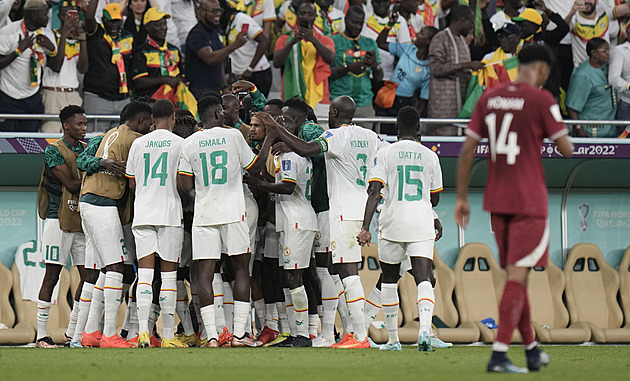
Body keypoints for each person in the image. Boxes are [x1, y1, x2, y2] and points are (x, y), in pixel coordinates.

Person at [455, 44, 573, 373]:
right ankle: (499, 353)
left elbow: (467, 151)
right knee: (518, 279)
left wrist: (462, 197)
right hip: (529, 202)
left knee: (514, 277)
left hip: (497, 200)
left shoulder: (488, 98)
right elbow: (566, 149)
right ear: (544, 71)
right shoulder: (541, 99)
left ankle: (532, 350)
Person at [259, 95, 389, 349]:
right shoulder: (371, 136)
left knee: (347, 274)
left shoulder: (335, 136)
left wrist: (278, 131)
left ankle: (358, 336)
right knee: (342, 272)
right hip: (362, 209)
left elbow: (308, 149)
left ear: (333, 112)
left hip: (340, 211)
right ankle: (348, 333)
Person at [177, 95, 272, 347]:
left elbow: (185, 186)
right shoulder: (233, 136)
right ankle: (239, 335)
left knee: (205, 276)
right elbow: (253, 168)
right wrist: (269, 140)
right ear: (219, 114)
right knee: (242, 269)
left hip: (204, 214)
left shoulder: (190, 143)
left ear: (201, 117)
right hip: (233, 212)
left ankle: (211, 337)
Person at [357, 106, 443, 352]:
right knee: (424, 276)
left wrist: (365, 227)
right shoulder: (430, 156)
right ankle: (425, 330)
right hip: (421, 221)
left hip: (392, 222)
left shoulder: (385, 153)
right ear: (418, 129)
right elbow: (434, 199)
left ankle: (393, 340)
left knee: (389, 280)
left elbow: (374, 191)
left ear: (396, 128)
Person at [79, 101, 153, 348]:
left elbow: (84, 160)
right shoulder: (135, 140)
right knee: (115, 268)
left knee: (104, 268)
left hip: (90, 200)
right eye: (149, 123)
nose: (150, 128)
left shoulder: (110, 133)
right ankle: (109, 333)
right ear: (141, 121)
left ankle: (90, 332)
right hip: (102, 203)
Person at [245, 116, 318, 347]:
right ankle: (295, 332)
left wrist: (259, 184)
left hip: (296, 220)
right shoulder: (300, 155)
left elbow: (288, 187)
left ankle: (303, 335)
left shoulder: (289, 156)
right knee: (289, 278)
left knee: (294, 277)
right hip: (294, 220)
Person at [125, 99, 187, 348]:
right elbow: (184, 182)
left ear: (152, 118)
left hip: (143, 214)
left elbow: (131, 183)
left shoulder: (138, 144)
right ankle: (169, 336)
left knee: (146, 275)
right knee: (169, 276)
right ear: (173, 118)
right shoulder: (180, 144)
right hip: (169, 214)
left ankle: (141, 332)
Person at [35, 105, 87, 348]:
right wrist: (99, 167)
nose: (84, 128)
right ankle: (41, 336)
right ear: (66, 125)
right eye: (79, 124)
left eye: (85, 124)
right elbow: (71, 184)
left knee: (88, 278)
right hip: (57, 220)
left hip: (80, 221)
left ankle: (73, 333)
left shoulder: (85, 149)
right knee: (52, 275)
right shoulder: (53, 150)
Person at [0, 0, 58, 132]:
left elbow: (55, 67)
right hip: (8, 97)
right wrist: (18, 51)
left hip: (32, 98)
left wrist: (52, 50)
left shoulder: (47, 33)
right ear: (34, 16)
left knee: (30, 142)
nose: (48, 17)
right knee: (8, 145)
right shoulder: (8, 31)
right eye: (44, 14)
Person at [427, 5, 484, 136]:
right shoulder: (440, 38)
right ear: (463, 20)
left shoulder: (463, 41)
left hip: (462, 105)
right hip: (443, 108)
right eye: (471, 22)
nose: (472, 26)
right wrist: (467, 65)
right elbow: (436, 69)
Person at [273, 1, 335, 116]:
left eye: (310, 14)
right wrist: (292, 42)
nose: (306, 16)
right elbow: (277, 62)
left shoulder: (325, 40)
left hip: (320, 98)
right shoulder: (284, 38)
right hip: (292, 99)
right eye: (302, 13)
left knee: (320, 132)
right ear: (297, 15)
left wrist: (313, 39)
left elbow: (331, 58)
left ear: (315, 17)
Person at [83, 1, 134, 132]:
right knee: (95, 143)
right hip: (98, 98)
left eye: (117, 21)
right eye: (110, 21)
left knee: (119, 143)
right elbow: (88, 17)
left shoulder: (127, 37)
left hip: (122, 99)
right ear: (103, 20)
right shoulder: (96, 33)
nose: (114, 25)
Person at [329, 6, 382, 126]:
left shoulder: (370, 43)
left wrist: (375, 65)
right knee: (339, 142)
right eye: (354, 22)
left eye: (360, 23)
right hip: (340, 103)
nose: (357, 26)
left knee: (365, 143)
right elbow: (328, 73)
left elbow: (379, 77)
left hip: (364, 104)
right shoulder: (333, 41)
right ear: (345, 20)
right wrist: (349, 68)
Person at [40, 2, 88, 133]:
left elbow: (83, 69)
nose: (71, 15)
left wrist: (83, 40)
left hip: (72, 94)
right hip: (52, 94)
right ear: (59, 16)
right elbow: (56, 65)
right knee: (49, 136)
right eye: (67, 12)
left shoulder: (78, 39)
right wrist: (65, 34)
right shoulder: (50, 35)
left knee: (74, 139)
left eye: (74, 12)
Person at [185, 0, 246, 98]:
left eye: (219, 11)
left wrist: (225, 87)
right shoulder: (197, 33)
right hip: (200, 90)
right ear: (202, 12)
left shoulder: (215, 30)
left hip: (215, 89)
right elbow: (209, 58)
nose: (218, 14)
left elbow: (219, 60)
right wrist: (235, 45)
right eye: (214, 11)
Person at [376, 21, 438, 116]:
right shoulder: (408, 49)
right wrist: (389, 24)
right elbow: (380, 43)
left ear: (428, 41)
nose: (417, 33)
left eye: (421, 33)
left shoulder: (428, 68)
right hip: (386, 96)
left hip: (403, 102)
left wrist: (414, 119)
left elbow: (423, 100)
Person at [566, 38, 618, 137]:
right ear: (594, 53)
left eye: (608, 50)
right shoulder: (582, 75)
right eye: (604, 51)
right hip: (590, 132)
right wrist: (579, 129)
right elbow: (571, 106)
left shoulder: (609, 67)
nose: (608, 54)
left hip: (610, 130)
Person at [131, 8, 185, 98]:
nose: (163, 28)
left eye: (164, 24)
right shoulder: (142, 52)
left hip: (175, 102)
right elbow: (139, 82)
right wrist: (165, 80)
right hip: (151, 103)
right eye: (158, 25)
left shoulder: (174, 50)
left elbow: (181, 75)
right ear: (147, 27)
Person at [221, 3, 271, 96]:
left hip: (257, 72)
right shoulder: (224, 24)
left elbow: (264, 41)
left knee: (258, 107)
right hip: (239, 75)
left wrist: (250, 69)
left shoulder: (241, 19)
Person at [565, 0, 630, 68]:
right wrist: (571, 12)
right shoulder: (574, 17)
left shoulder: (604, 12)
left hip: (605, 68)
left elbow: (628, 8)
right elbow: (564, 29)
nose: (587, 1)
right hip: (584, 70)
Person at [361, 0, 411, 82]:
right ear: (372, 3)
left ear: (390, 2)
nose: (381, 4)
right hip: (366, 75)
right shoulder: (365, 19)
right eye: (377, 1)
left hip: (390, 77)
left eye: (384, 1)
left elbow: (405, 50)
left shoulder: (399, 20)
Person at [609, 20, 630, 121]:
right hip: (627, 104)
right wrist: (628, 86)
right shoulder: (620, 50)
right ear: (628, 30)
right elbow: (613, 78)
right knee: (625, 137)